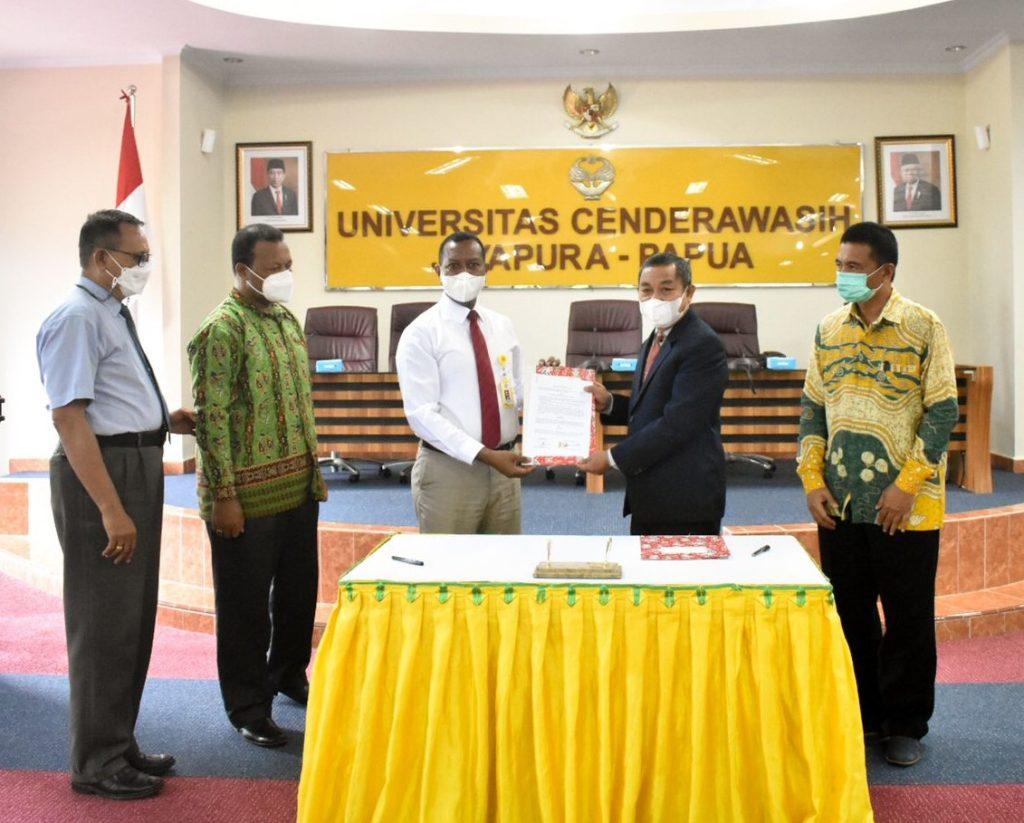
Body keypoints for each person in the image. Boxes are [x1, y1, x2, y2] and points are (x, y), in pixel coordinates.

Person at [36, 209, 195, 800]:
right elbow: (69, 416)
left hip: (134, 464)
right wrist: (109, 507)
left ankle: (117, 741)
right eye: (138, 257)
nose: (145, 266)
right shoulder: (76, 317)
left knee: (130, 617)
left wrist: (163, 420)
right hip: (103, 475)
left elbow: (109, 400)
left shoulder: (109, 311)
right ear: (103, 258)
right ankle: (95, 762)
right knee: (103, 621)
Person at [798, 221, 958, 767]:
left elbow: (942, 411)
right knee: (851, 614)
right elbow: (813, 408)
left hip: (905, 507)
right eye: (839, 265)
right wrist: (812, 479)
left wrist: (906, 486)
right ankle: (865, 717)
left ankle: (906, 724)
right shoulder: (828, 329)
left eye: (853, 267)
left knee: (908, 617)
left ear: (884, 272)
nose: (843, 275)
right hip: (841, 502)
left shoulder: (923, 326)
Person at [187, 223, 326, 748]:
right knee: (245, 609)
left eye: (288, 265)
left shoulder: (286, 319)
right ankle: (247, 707)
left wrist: (312, 472)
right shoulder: (220, 330)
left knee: (297, 594)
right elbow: (212, 418)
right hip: (242, 499)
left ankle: (288, 673)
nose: (285, 274)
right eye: (274, 268)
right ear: (244, 271)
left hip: (297, 487)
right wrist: (224, 496)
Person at [577, 253, 729, 535]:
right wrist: (609, 403)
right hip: (652, 493)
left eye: (666, 289)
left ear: (688, 293)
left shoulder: (702, 344)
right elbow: (649, 409)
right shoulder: (656, 338)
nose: (655, 299)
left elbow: (678, 424)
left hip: (686, 499)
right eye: (646, 290)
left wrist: (611, 458)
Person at [396, 231, 533, 534]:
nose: (464, 274)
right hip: (449, 472)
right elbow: (422, 415)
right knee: (448, 562)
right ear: (438, 270)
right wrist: (485, 455)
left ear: (486, 269)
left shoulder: (502, 326)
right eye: (453, 266)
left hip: (505, 470)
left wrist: (549, 384)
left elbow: (515, 392)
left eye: (473, 265)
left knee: (504, 561)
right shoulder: (421, 333)